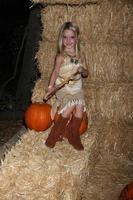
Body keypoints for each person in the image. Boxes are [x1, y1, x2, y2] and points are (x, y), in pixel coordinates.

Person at [44, 21, 88, 150]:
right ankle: (54, 135)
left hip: (76, 88)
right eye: (65, 37)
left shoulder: (81, 56)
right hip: (63, 87)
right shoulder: (61, 57)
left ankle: (73, 135)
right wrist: (50, 87)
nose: (68, 41)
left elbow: (86, 73)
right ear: (61, 39)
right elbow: (55, 72)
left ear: (77, 39)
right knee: (71, 105)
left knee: (79, 109)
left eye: (72, 37)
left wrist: (82, 70)